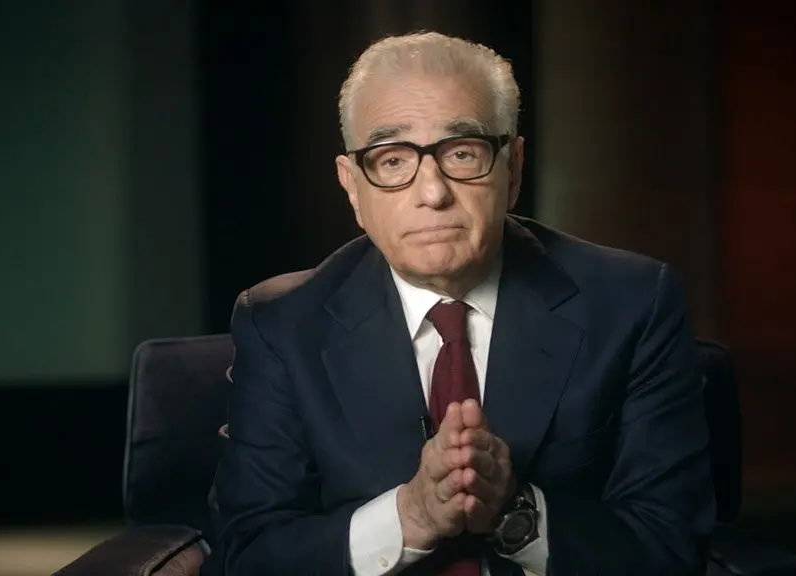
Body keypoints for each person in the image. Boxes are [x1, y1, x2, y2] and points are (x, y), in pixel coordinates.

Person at [212, 31, 715, 575]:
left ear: (513, 168)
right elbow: (249, 553)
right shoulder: (282, 324)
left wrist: (513, 509)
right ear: (352, 186)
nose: (433, 193)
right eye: (392, 160)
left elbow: (669, 545)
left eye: (462, 153)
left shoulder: (631, 303)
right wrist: (412, 515)